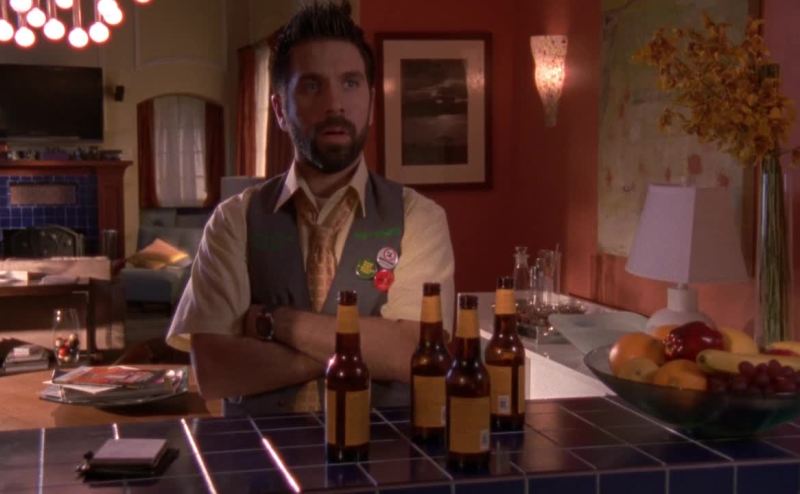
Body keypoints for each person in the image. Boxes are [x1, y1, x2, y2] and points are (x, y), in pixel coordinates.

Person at [166, 0, 455, 416]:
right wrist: (368, 350)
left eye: (350, 83)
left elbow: (415, 353)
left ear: (371, 103)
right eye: (312, 86)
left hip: (384, 451)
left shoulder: (419, 217)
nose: (335, 104)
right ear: (280, 110)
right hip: (259, 454)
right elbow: (214, 371)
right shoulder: (234, 221)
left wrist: (276, 323)